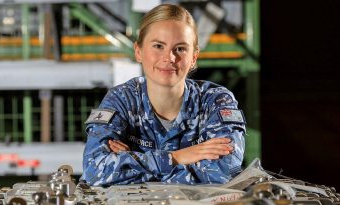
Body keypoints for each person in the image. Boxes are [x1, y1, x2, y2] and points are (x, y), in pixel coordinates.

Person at [80, 3, 246, 186]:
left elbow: (224, 173)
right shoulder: (121, 100)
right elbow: (95, 171)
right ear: (138, 51)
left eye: (181, 48)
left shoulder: (215, 100)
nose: (170, 58)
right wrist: (178, 157)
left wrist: (132, 164)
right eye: (158, 46)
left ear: (194, 58)